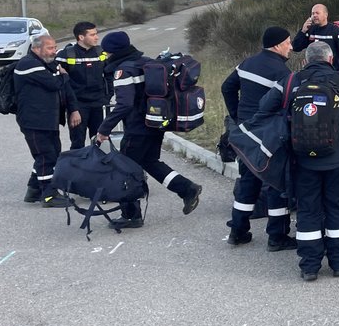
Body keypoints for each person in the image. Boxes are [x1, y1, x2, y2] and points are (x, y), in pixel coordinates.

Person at [254, 41, 339, 282]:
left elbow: (264, 107)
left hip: (302, 159)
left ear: (305, 61)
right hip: (337, 159)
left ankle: (309, 266)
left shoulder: (291, 81)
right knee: (335, 208)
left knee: (308, 209)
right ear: (330, 60)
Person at [96, 32, 203, 229]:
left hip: (137, 128)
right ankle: (187, 189)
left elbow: (124, 105)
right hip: (155, 123)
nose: (105, 56)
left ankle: (131, 215)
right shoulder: (146, 62)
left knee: (124, 170)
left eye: (105, 52)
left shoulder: (123, 71)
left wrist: (104, 130)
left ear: (112, 51)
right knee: (150, 162)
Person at [221, 26, 295, 250]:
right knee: (275, 183)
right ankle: (277, 236)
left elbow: (227, 87)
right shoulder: (282, 73)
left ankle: (238, 231)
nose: (291, 47)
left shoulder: (246, 63)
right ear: (277, 45)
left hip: (245, 133)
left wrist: (237, 115)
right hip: (269, 135)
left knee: (247, 181)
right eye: (288, 42)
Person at [15, 34, 80, 207]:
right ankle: (49, 195)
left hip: (48, 119)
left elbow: (63, 86)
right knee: (45, 155)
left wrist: (73, 108)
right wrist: (63, 75)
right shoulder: (28, 64)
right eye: (50, 48)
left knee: (53, 152)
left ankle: (33, 190)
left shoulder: (47, 63)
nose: (54, 51)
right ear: (36, 48)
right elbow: (54, 84)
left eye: (54, 47)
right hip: (34, 120)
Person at [56, 22, 108, 149]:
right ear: (81, 37)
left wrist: (107, 97)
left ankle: (98, 167)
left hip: (99, 104)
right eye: (92, 35)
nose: (97, 37)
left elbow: (110, 76)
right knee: (77, 142)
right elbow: (60, 82)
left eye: (96, 34)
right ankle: (77, 168)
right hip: (78, 106)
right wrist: (72, 108)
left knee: (100, 141)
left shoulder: (101, 53)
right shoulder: (65, 55)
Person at [292, 4, 339, 73]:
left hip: (331, 73)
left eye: (317, 13)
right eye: (313, 13)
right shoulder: (310, 30)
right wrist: (303, 31)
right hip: (312, 72)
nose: (314, 15)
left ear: (326, 15)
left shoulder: (337, 32)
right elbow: (296, 48)